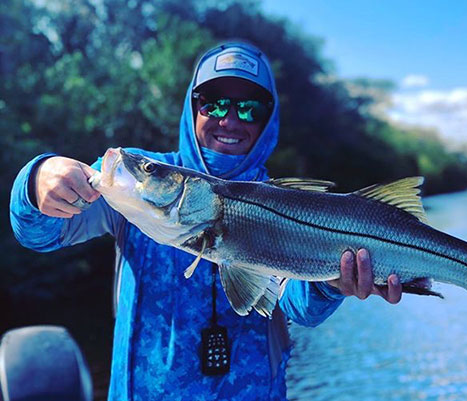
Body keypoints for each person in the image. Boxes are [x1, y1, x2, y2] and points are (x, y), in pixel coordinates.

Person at [10, 42, 402, 400]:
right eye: (213, 102)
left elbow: (299, 307)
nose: (229, 120)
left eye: (249, 108)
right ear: (191, 106)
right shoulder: (137, 181)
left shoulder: (287, 201)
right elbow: (39, 235)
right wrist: (38, 179)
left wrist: (333, 284)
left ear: (269, 120)